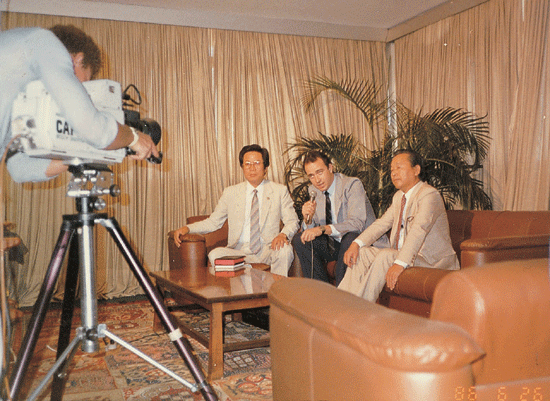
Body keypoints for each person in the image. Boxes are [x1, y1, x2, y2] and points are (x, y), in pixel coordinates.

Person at [0, 24, 159, 183]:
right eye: (84, 84)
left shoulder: (22, 95)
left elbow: (19, 168)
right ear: (77, 60)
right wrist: (133, 137)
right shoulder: (43, 42)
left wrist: (80, 153)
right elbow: (92, 129)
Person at [338, 149, 460, 301]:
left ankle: (360, 309)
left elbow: (419, 230)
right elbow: (381, 224)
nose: (394, 173)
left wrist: (400, 263)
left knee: (386, 255)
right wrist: (356, 243)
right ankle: (341, 304)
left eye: (399, 167)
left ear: (416, 170)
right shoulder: (399, 197)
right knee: (363, 253)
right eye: (392, 170)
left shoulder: (429, 195)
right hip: (403, 255)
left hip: (431, 262)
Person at [172, 144, 299, 276]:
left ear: (265, 168)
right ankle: (250, 272)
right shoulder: (231, 192)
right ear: (242, 167)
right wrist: (188, 228)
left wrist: (283, 235)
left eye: (257, 163)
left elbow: (292, 221)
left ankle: (277, 287)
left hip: (268, 249)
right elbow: (213, 222)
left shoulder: (279, 191)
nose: (252, 168)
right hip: (239, 252)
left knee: (284, 250)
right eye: (247, 164)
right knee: (215, 254)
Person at [291, 151, 388, 285]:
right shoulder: (314, 191)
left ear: (330, 168)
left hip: (359, 241)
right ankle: (321, 291)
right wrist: (309, 219)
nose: (317, 180)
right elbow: (314, 229)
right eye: (311, 176)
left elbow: (357, 224)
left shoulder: (351, 185)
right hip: (333, 244)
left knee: (350, 236)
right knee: (300, 239)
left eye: (320, 172)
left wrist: (322, 229)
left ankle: (342, 292)